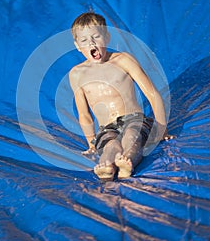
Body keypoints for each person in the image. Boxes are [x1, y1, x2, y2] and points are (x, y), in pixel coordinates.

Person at [69, 12, 173, 181]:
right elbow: (84, 113)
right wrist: (90, 142)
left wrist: (162, 128)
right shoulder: (76, 74)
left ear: (107, 38)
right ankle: (107, 166)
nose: (92, 43)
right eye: (84, 41)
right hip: (106, 127)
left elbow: (152, 94)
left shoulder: (123, 60)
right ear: (77, 46)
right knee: (110, 145)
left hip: (134, 118)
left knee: (132, 136)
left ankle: (127, 162)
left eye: (96, 37)